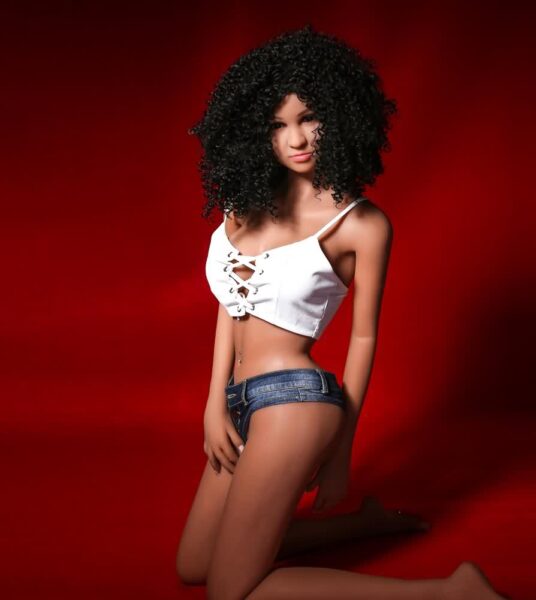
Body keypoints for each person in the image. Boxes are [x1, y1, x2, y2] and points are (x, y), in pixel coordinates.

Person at [176, 24, 511, 600]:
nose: (296, 138)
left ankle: (449, 592)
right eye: (277, 125)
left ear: (338, 114)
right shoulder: (242, 204)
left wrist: (341, 452)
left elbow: (362, 339)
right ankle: (361, 525)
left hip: (296, 404)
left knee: (229, 591)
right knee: (194, 564)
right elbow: (232, 306)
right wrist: (214, 402)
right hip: (238, 400)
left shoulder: (360, 225)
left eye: (309, 118)